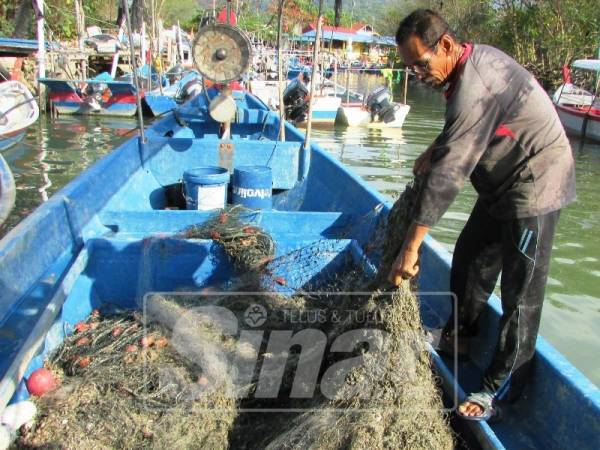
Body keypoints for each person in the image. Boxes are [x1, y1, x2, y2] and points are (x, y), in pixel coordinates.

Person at [388, 9, 576, 421]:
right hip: (500, 185)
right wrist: (434, 147)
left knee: (520, 294)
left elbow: (450, 176)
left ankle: (500, 388)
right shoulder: (464, 70)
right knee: (471, 255)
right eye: (410, 67)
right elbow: (466, 128)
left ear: (447, 46)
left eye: (422, 63)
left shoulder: (476, 82)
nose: (418, 74)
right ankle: (460, 338)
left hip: (536, 186)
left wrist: (411, 247)